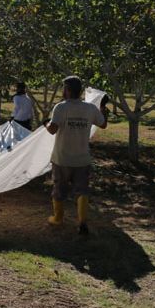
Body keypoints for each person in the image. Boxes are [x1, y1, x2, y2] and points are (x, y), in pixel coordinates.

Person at [44, 76, 109, 235]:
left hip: (62, 159)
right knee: (82, 191)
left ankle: (58, 218)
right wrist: (103, 112)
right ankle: (82, 222)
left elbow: (52, 130)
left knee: (59, 189)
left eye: (63, 88)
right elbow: (103, 124)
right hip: (82, 158)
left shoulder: (61, 107)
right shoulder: (90, 109)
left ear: (67, 89)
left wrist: (45, 123)